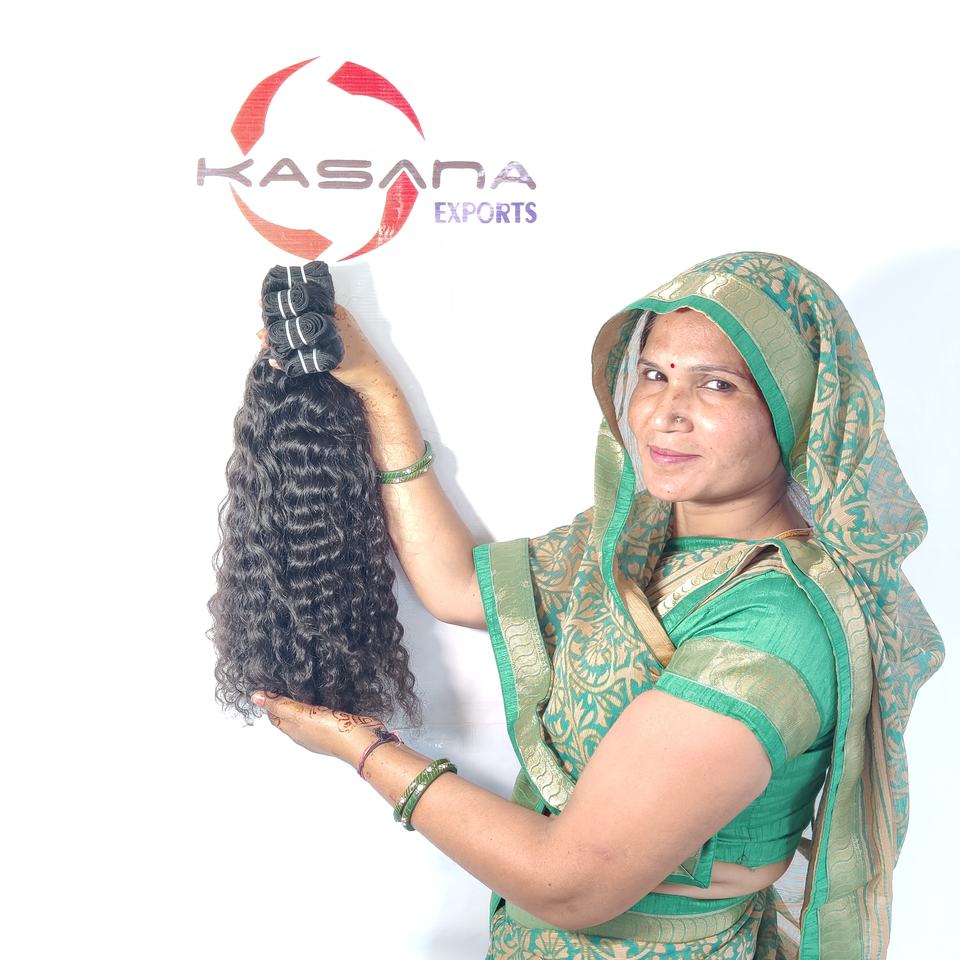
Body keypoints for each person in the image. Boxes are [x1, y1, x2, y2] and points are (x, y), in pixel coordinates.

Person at [251, 251, 944, 959]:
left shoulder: (774, 626)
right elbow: (457, 584)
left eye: (718, 385)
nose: (665, 413)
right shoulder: (634, 544)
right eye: (654, 375)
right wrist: (373, 387)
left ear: (794, 407)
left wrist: (361, 749)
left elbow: (570, 883)